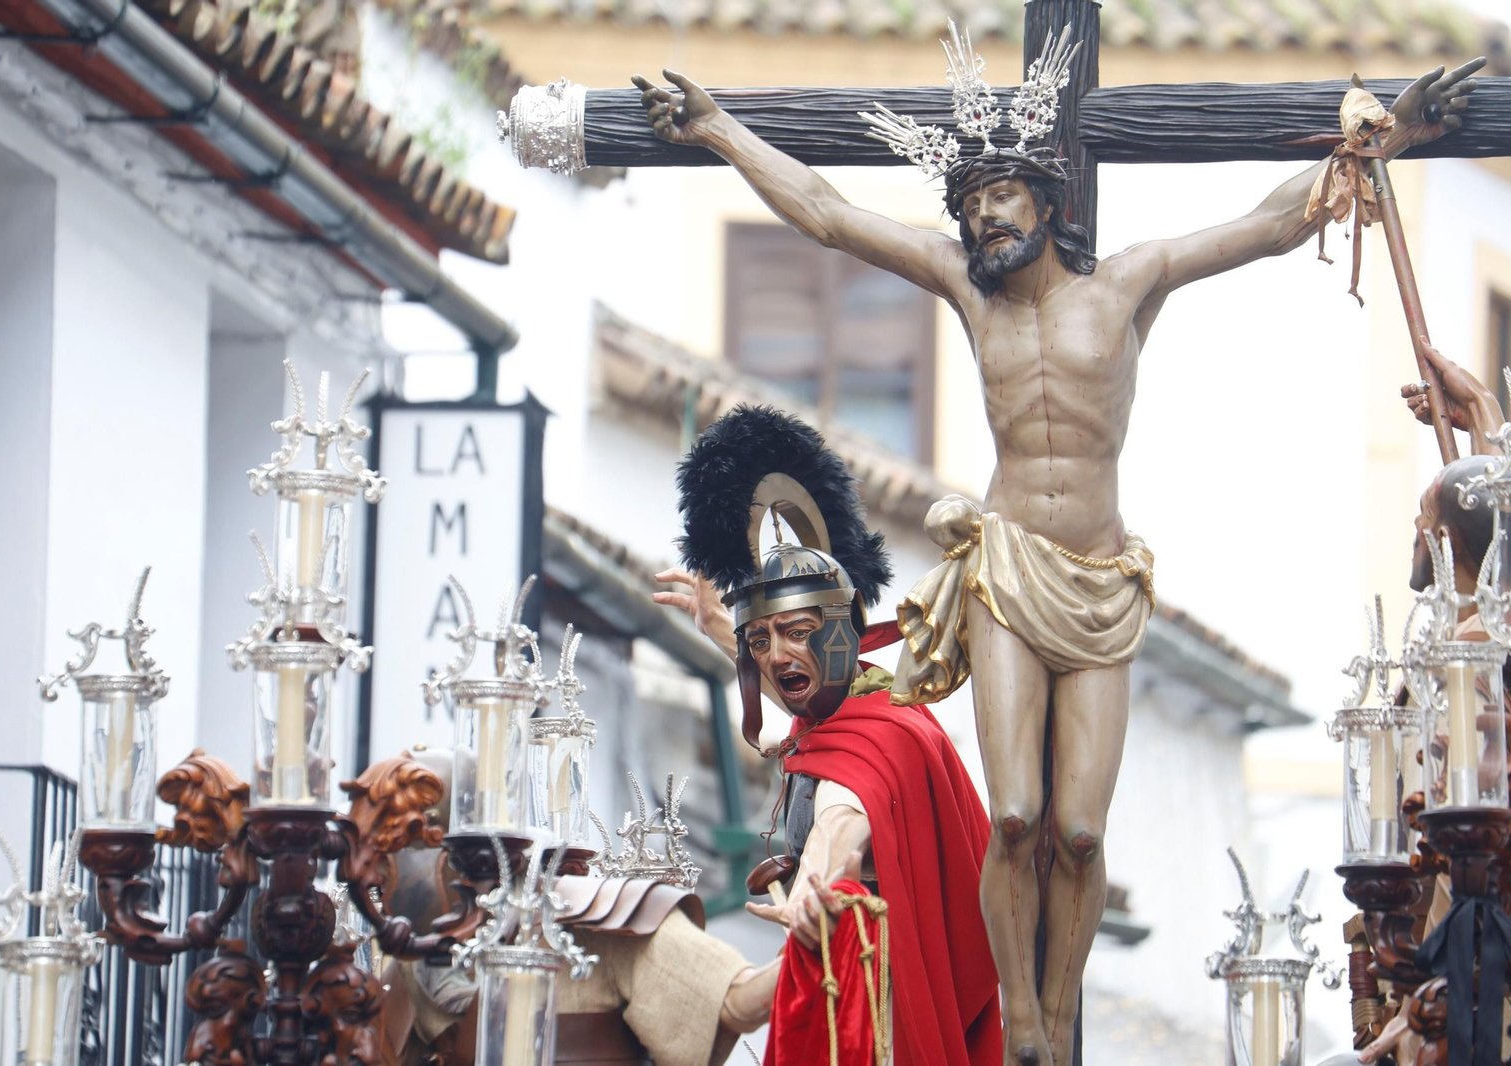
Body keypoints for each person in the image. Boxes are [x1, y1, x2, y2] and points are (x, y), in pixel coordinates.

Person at [632, 39, 1485, 1066]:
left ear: (1048, 201)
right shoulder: (963, 286)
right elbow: (825, 211)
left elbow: (1266, 223)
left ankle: (1059, 996)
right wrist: (721, 129)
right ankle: (1024, 1021)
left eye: (1001, 195)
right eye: (972, 199)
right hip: (1005, 569)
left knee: (1078, 832)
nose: (983, 216)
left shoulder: (1128, 285)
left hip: (1101, 581)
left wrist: (1389, 133)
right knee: (1019, 815)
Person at [654, 404, 1001, 1066]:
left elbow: (846, 813)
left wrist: (819, 879)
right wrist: (722, 625)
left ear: (841, 634)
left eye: (798, 633)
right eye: (760, 640)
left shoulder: (881, 739)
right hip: (837, 989)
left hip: (876, 1020)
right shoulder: (853, 711)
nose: (777, 655)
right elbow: (793, 679)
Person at [378, 748, 779, 1066]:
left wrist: (824, 933)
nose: (381, 874)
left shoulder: (592, 924)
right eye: (385, 850)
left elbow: (737, 1001)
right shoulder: (407, 957)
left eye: (410, 843)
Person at [1356, 348, 1507, 1066]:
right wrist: (1479, 413)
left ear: (1443, 540)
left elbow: (1470, 830)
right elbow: (1496, 523)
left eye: (1423, 518)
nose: (1414, 532)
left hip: (1460, 949)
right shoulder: (1459, 641)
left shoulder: (1476, 657)